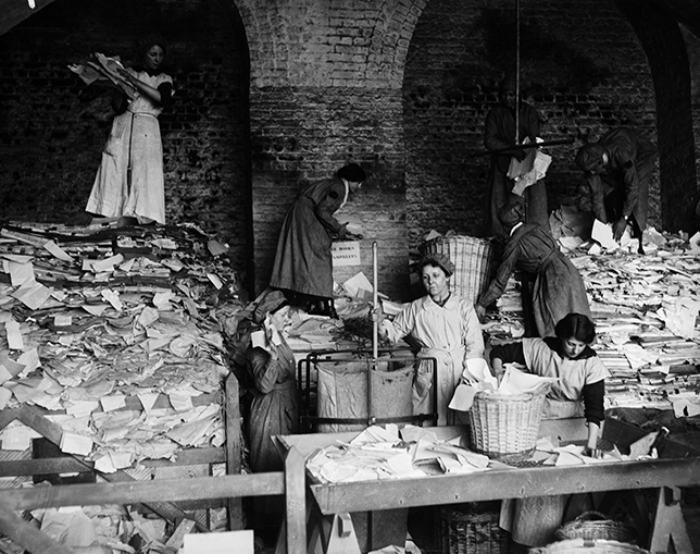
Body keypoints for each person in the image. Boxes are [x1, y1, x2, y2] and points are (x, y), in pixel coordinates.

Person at [489, 313, 611, 547]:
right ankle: (525, 542)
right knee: (534, 478)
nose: (574, 349)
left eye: (580, 345)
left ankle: (561, 544)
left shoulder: (592, 364)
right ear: (561, 336)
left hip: (572, 425)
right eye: (570, 343)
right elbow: (500, 352)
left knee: (564, 483)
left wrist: (592, 443)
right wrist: (498, 372)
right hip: (539, 420)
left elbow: (595, 408)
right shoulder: (541, 348)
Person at [378, 253, 485, 425]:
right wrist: (383, 329)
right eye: (426, 277)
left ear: (448, 277)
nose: (431, 281)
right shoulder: (417, 307)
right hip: (430, 371)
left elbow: (474, 344)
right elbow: (395, 331)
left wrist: (469, 372)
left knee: (459, 420)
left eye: (436, 276)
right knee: (428, 419)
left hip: (459, 369)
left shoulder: (463, 306)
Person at [77, 35, 174, 225]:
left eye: (160, 55)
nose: (157, 58)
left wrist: (134, 82)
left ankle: (145, 218)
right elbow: (119, 107)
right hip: (124, 124)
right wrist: (119, 86)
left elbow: (163, 99)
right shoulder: (130, 72)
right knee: (116, 171)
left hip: (147, 130)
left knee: (145, 173)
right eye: (153, 54)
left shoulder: (164, 79)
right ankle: (113, 219)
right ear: (143, 55)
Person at [475, 201, 591, 338]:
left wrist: (483, 303)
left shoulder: (514, 244)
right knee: (577, 311)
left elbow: (501, 279)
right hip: (567, 267)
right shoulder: (536, 227)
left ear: (504, 226)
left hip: (552, 277)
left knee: (556, 321)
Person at [269, 163, 366, 318]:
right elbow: (322, 211)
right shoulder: (338, 188)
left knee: (308, 258)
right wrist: (341, 229)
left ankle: (313, 302)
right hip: (305, 217)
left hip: (302, 215)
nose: (359, 187)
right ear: (352, 180)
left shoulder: (333, 184)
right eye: (359, 183)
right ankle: (326, 305)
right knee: (321, 256)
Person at [243, 297, 298, 545]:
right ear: (268, 318)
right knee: (268, 464)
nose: (288, 318)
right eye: (284, 314)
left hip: (285, 407)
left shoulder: (278, 339)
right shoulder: (257, 347)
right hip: (268, 413)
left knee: (284, 465)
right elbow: (265, 385)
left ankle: (281, 531)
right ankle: (264, 535)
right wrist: (273, 359)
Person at [483, 75, 548, 239]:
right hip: (502, 163)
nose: (507, 98)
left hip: (525, 163)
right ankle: (499, 238)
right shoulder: (495, 114)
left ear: (519, 95)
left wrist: (526, 147)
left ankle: (534, 237)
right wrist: (511, 149)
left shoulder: (529, 113)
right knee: (499, 201)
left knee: (532, 200)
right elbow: (490, 141)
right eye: (504, 94)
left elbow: (533, 137)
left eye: (512, 94)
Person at [575, 127, 656, 254]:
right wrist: (603, 228)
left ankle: (639, 240)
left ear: (600, 162)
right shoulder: (592, 163)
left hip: (641, 155)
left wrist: (624, 218)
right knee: (610, 190)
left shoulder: (621, 154)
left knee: (637, 191)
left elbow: (632, 186)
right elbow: (596, 196)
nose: (591, 174)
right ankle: (615, 232)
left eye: (592, 170)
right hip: (614, 163)